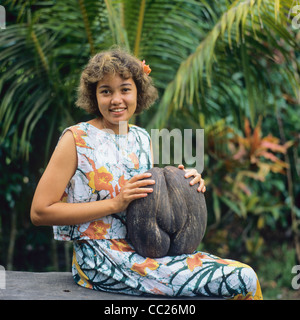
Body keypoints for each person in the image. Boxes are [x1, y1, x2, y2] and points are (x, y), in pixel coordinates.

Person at [30, 48, 263, 300]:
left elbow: (149, 200)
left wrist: (184, 185)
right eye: (106, 91)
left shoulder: (141, 138)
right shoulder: (76, 139)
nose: (116, 99)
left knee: (238, 273)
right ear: (93, 95)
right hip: (100, 261)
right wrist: (115, 203)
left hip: (144, 250)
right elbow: (40, 212)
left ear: (138, 92)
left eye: (125, 89)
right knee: (243, 278)